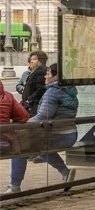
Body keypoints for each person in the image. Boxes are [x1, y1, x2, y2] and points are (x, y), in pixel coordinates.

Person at [5, 64, 78, 194]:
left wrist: (24, 125)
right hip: (70, 134)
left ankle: (14, 187)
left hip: (58, 134)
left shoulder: (53, 92)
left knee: (19, 148)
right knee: (42, 150)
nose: (45, 76)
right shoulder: (70, 91)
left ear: (56, 76)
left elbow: (42, 116)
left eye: (48, 73)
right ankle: (66, 172)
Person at [21, 50, 48, 116]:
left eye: (34, 59)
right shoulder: (35, 71)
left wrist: (29, 100)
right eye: (31, 59)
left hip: (34, 106)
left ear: (40, 61)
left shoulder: (41, 72)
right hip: (31, 105)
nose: (31, 61)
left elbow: (41, 89)